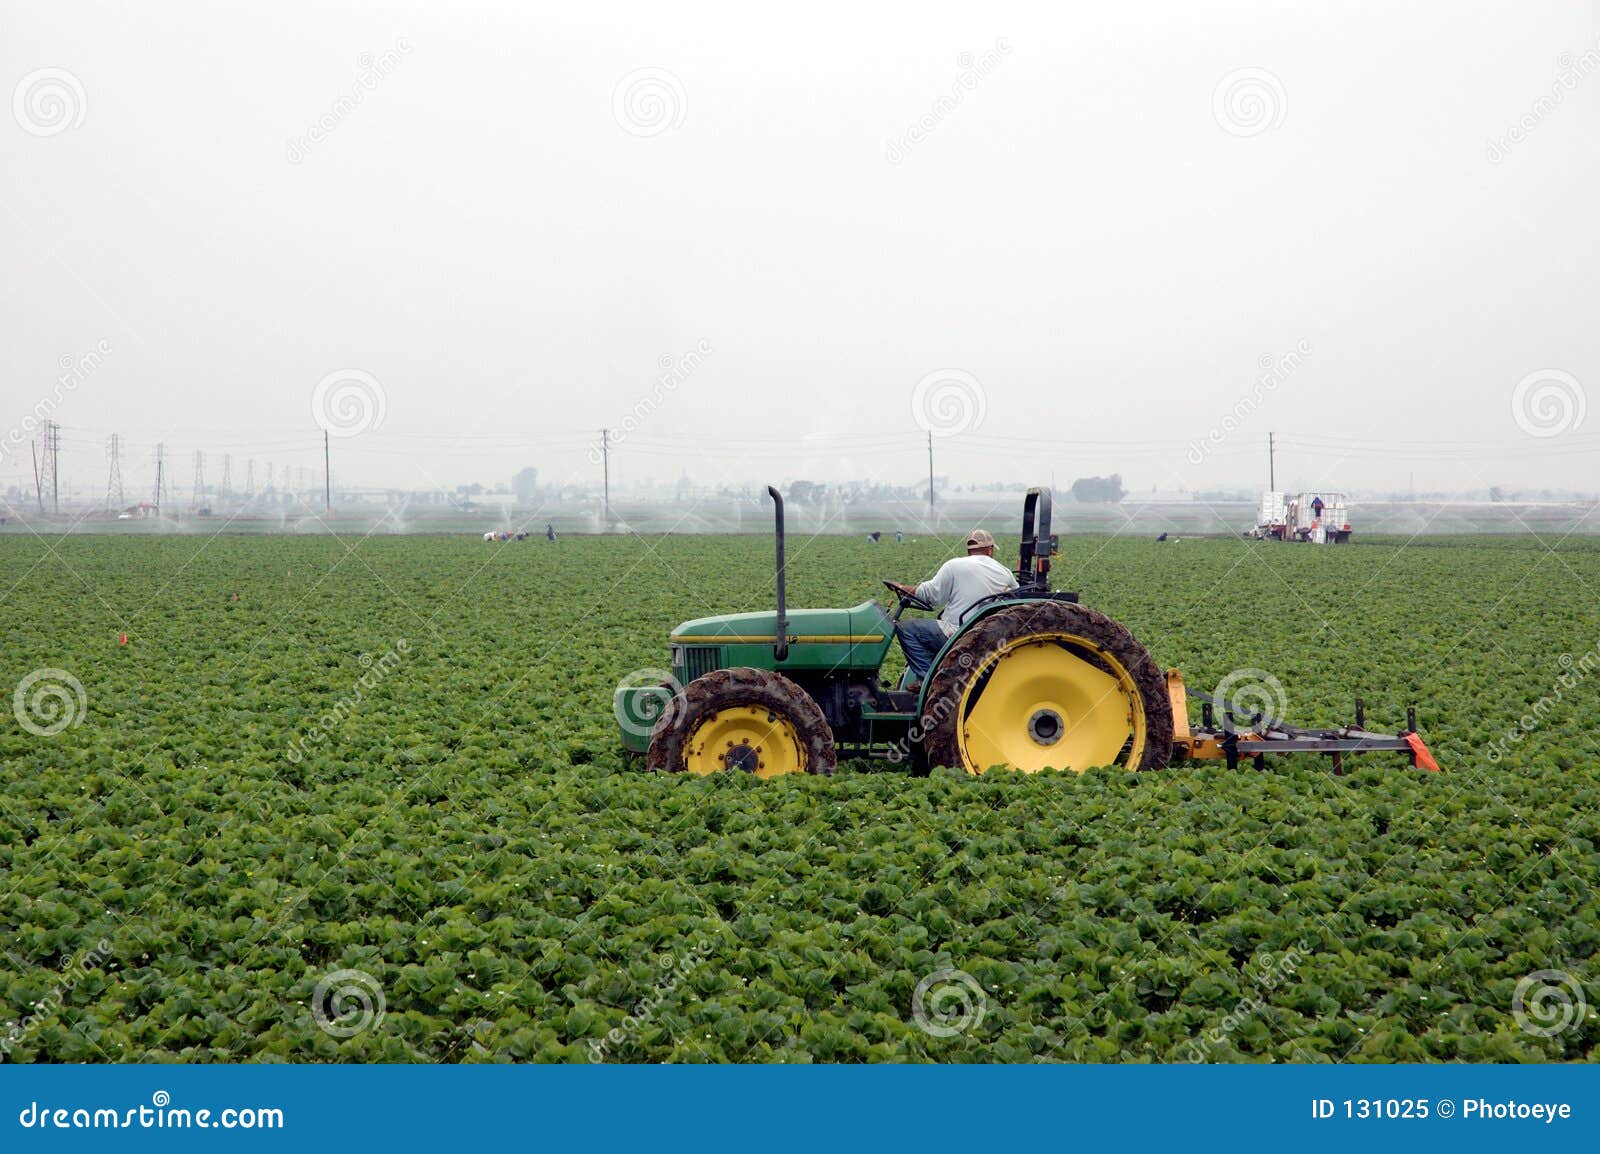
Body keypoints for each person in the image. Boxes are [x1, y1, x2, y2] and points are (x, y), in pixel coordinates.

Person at [887, 528, 1018, 686]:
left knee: (906, 628)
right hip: (986, 635)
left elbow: (931, 595)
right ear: (990, 550)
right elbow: (1016, 597)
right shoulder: (1004, 572)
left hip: (956, 633)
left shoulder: (954, 565)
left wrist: (901, 586)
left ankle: (927, 683)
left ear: (969, 549)